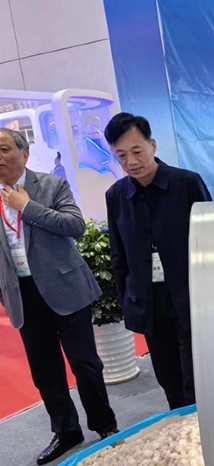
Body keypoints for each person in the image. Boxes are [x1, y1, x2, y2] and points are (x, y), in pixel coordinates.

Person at [0, 128, 118, 465]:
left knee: (85, 363)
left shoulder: (52, 185)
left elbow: (74, 225)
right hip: (22, 294)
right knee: (45, 370)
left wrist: (27, 206)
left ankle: (105, 425)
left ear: (24, 154)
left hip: (64, 288)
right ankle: (66, 431)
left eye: (4, 149)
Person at [104, 113, 211, 410]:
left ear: (152, 145)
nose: (131, 162)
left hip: (190, 297)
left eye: (137, 151)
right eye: (121, 156)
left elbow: (212, 241)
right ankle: (180, 426)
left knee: (197, 377)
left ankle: (203, 428)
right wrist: (127, 300)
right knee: (168, 377)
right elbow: (118, 255)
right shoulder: (116, 196)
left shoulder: (187, 183)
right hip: (150, 301)